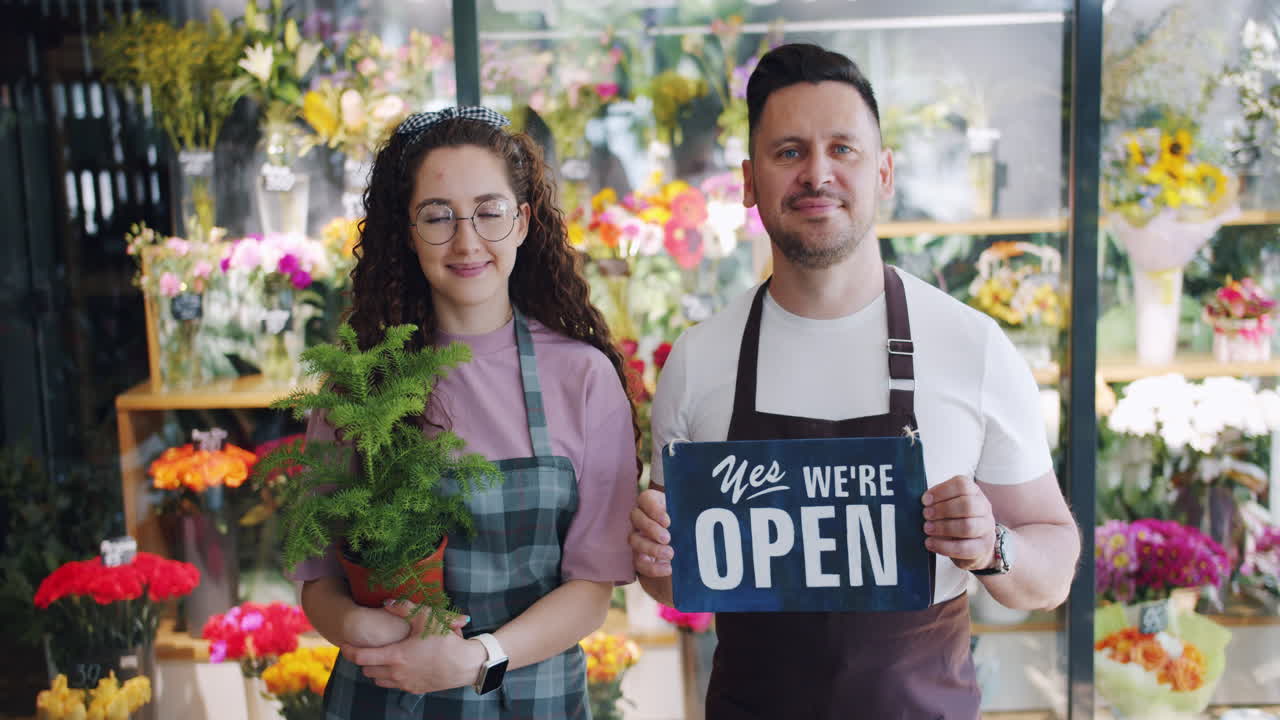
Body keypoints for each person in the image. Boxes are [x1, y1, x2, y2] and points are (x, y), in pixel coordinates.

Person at [628, 43, 1080, 719]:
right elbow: (673, 579)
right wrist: (653, 551)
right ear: (750, 181)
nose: (818, 173)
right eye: (789, 152)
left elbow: (1053, 569)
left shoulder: (971, 346)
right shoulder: (698, 362)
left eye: (843, 148)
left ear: (884, 171)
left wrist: (994, 546)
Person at [294, 107, 640, 718]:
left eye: (489, 212)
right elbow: (320, 581)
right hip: (385, 696)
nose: (466, 241)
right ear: (406, 231)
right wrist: (358, 625)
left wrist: (479, 655)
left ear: (524, 222)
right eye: (437, 217)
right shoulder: (362, 386)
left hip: (534, 698)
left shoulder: (583, 378)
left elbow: (591, 591)